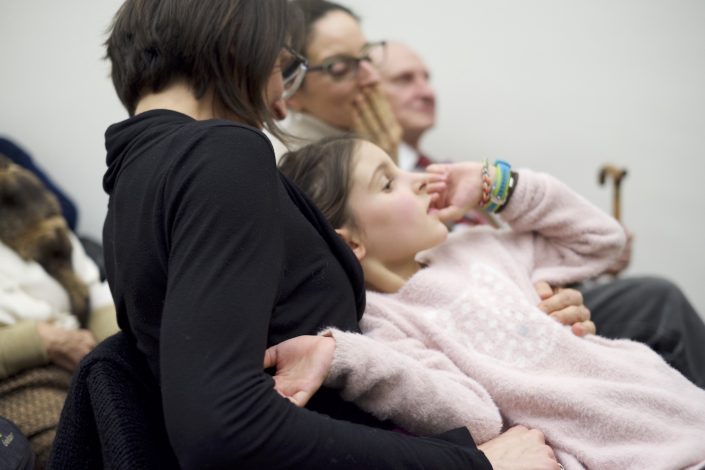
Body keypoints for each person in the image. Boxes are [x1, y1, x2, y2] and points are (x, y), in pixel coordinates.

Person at [98, 0, 563, 468]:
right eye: (283, 68)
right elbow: (222, 426)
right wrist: (473, 463)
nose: (281, 104)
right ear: (239, 44)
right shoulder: (220, 154)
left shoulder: (134, 180)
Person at [276, 136, 705, 469]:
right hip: (611, 451)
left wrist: (496, 186)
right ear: (350, 243)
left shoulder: (479, 245)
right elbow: (476, 416)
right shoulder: (384, 323)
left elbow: (602, 241)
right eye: (388, 183)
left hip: (661, 396)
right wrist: (346, 355)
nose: (419, 178)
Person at [372, 40, 705, 388]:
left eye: (426, 78)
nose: (427, 91)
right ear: (367, 91)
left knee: (652, 304)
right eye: (405, 79)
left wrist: (571, 269)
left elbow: (536, 248)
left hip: (532, 301)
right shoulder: (376, 192)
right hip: (490, 326)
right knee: (657, 300)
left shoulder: (450, 173)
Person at [0, 158, 117, 468]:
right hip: (15, 380)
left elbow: (91, 287)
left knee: (156, 414)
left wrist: (120, 350)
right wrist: (40, 341)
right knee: (82, 451)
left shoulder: (15, 186)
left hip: (82, 351)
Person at [271, 0, 402, 160]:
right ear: (290, 89)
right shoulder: (294, 163)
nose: (372, 77)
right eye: (340, 67)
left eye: (367, 56)